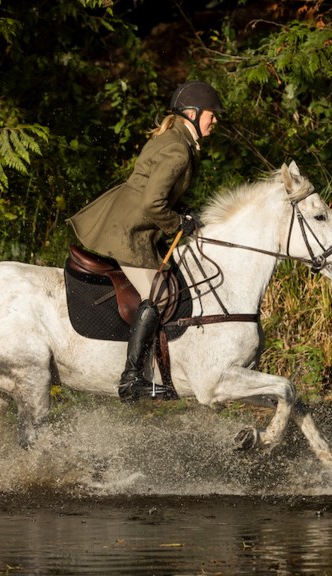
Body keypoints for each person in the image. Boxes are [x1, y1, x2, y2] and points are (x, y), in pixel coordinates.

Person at [67, 80, 225, 401]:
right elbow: (154, 204)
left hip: (129, 219)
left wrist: (184, 211)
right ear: (193, 114)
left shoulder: (174, 140)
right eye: (212, 114)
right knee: (161, 294)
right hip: (130, 230)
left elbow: (156, 191)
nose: (215, 120)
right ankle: (132, 377)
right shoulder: (178, 149)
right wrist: (178, 222)